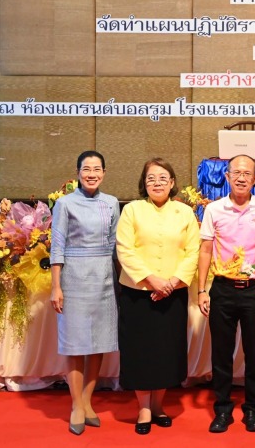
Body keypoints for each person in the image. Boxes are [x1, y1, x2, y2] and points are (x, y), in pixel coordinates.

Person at [115, 158, 200, 435]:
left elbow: (193, 251)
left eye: (163, 178)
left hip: (172, 293)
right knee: (140, 351)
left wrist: (172, 282)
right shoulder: (132, 210)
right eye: (151, 178)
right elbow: (125, 249)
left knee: (166, 351)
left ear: (173, 182)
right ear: (144, 183)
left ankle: (159, 405)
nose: (157, 183)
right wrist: (152, 280)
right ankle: (143, 408)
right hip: (138, 293)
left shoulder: (184, 212)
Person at [197, 154, 255, 434]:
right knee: (221, 353)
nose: (242, 177)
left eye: (247, 173)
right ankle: (222, 409)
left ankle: (253, 409)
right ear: (227, 177)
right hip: (222, 289)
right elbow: (206, 249)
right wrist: (201, 290)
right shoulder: (214, 210)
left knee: (254, 353)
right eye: (236, 172)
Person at [50, 151, 120, 436]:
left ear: (104, 172)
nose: (92, 173)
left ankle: (88, 402)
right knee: (75, 344)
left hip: (105, 276)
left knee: (100, 342)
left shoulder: (112, 203)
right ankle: (76, 404)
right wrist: (56, 285)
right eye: (86, 169)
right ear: (78, 172)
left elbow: (116, 244)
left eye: (97, 169)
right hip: (74, 277)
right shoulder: (64, 204)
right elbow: (57, 245)